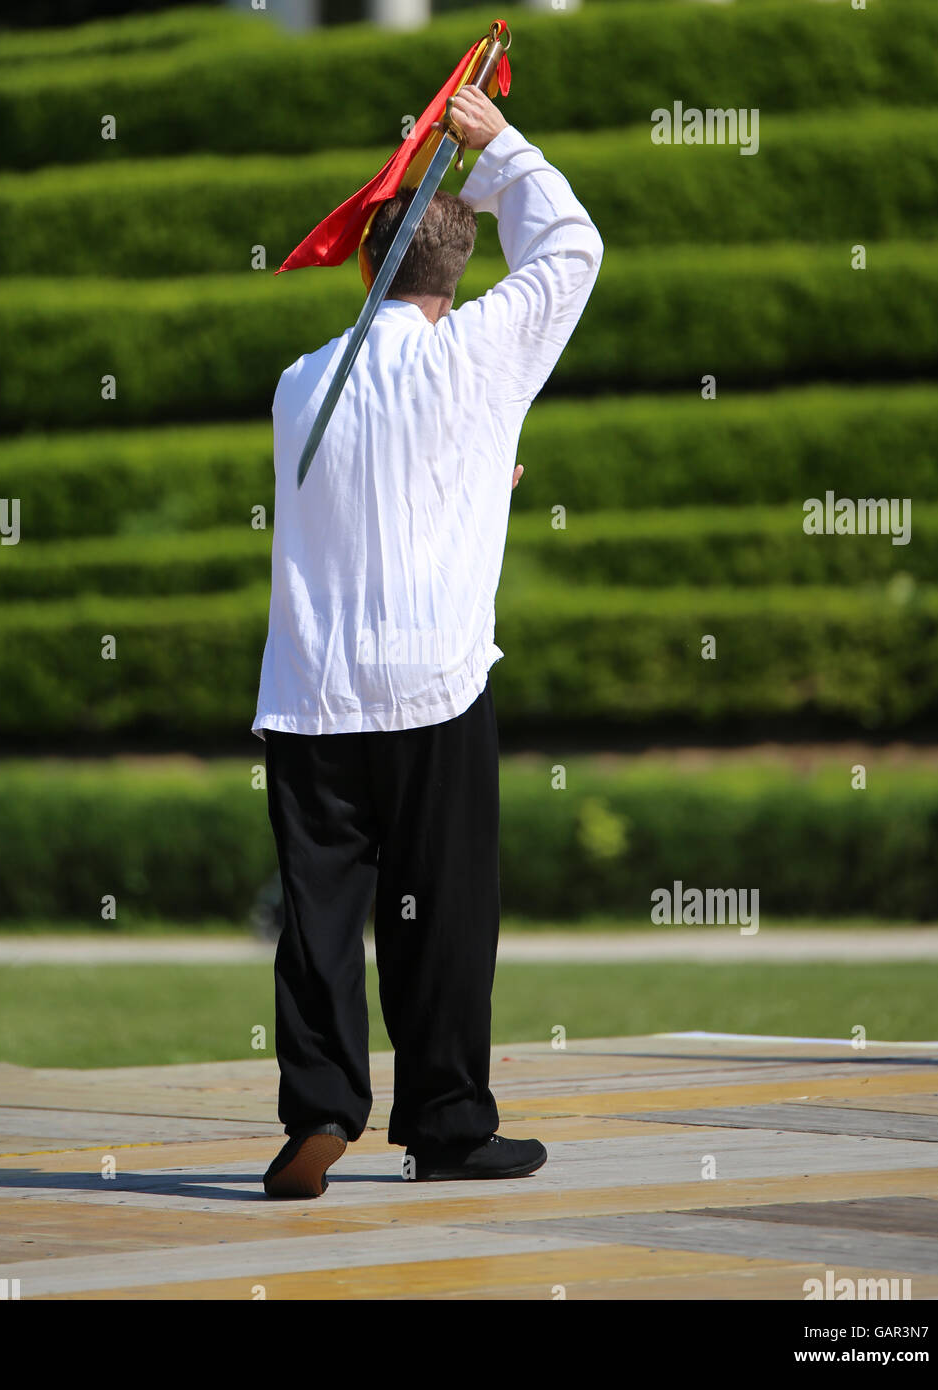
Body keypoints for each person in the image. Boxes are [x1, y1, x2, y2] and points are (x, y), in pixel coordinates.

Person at [253, 86, 603, 1198]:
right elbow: (573, 245)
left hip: (311, 692)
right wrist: (494, 152)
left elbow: (360, 481)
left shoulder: (298, 384)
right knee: (439, 913)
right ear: (454, 280)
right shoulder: (481, 358)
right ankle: (446, 1124)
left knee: (319, 917)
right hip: (432, 683)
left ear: (366, 270)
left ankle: (317, 1105)